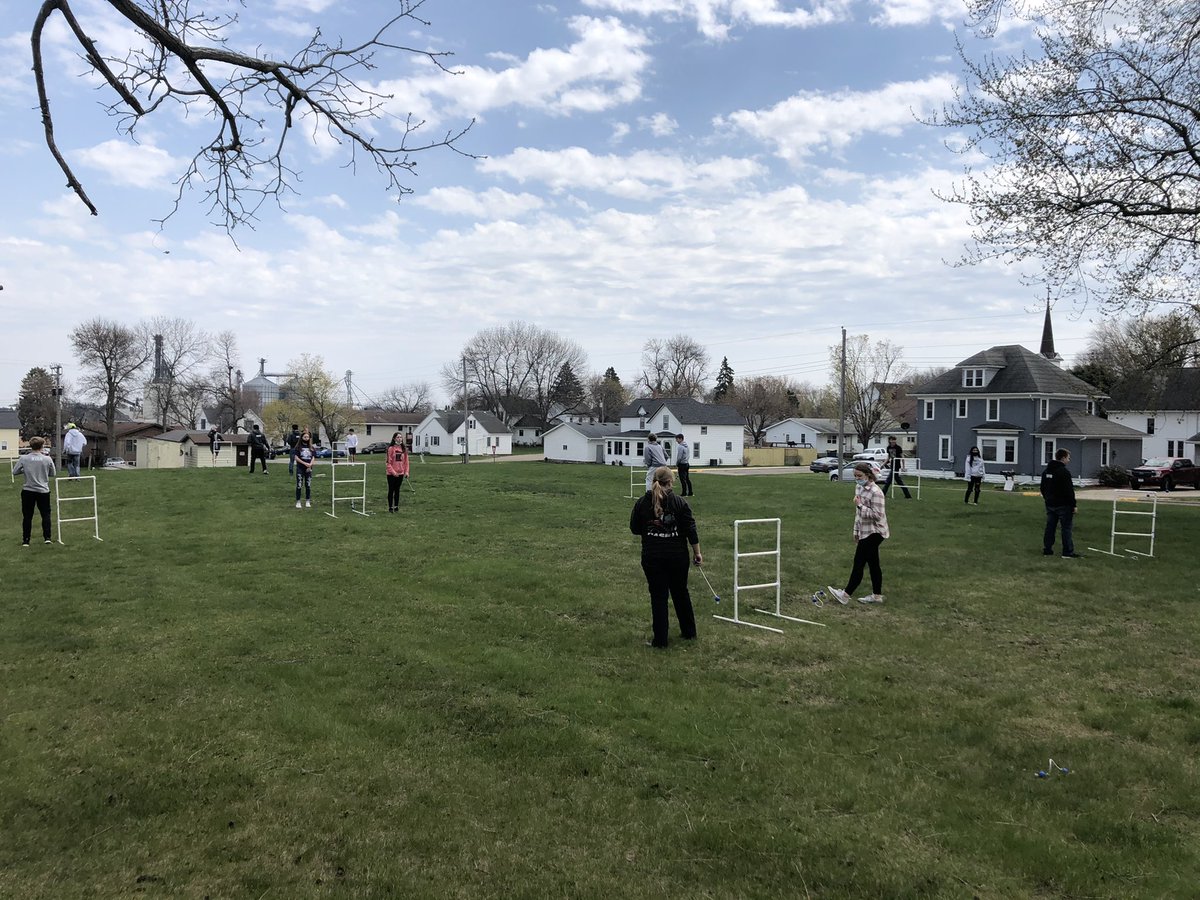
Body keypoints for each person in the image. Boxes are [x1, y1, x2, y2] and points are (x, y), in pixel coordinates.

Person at [630, 466, 701, 648]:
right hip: (678, 557)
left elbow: (635, 528)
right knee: (680, 592)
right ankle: (689, 632)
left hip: (652, 557)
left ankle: (660, 640)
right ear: (670, 482)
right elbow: (690, 529)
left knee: (659, 597)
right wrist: (697, 552)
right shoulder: (680, 503)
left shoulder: (642, 503)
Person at [828, 461, 890, 604]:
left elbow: (877, 515)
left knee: (859, 562)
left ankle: (845, 595)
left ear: (868, 475)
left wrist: (860, 505)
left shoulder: (876, 492)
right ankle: (877, 596)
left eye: (859, 476)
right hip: (864, 531)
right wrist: (856, 531)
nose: (857, 478)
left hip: (875, 532)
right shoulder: (859, 488)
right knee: (873, 563)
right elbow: (858, 514)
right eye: (855, 476)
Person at [14, 436, 56, 546]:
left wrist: (26, 470)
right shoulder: (47, 459)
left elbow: (15, 471)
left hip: (28, 490)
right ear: (42, 446)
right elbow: (53, 473)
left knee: (27, 516)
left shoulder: (24, 458)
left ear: (30, 446)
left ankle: (26, 540)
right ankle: (47, 538)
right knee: (45, 514)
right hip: (43, 490)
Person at [1040, 448, 1081, 558]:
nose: (1069, 460)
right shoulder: (1064, 472)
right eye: (1068, 458)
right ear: (1063, 458)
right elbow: (1069, 491)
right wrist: (1073, 505)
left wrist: (1047, 498)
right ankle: (1067, 552)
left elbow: (1043, 487)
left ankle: (1047, 549)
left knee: (1050, 527)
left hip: (1050, 504)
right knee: (1066, 528)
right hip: (1064, 505)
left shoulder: (1046, 471)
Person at [385, 431, 410, 512]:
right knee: (391, 490)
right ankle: (390, 507)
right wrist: (393, 472)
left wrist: (406, 472)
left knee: (397, 490)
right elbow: (388, 463)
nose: (399, 439)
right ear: (394, 438)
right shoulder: (391, 448)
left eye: (400, 437)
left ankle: (396, 506)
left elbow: (406, 462)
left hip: (400, 473)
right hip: (391, 474)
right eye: (398, 437)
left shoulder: (403, 449)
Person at [294, 429, 315, 508]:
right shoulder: (298, 447)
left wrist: (310, 464)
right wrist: (304, 463)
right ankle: (298, 501)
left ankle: (307, 500)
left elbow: (313, 457)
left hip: (308, 468)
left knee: (308, 485)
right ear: (302, 437)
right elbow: (296, 458)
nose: (306, 438)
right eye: (305, 437)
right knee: (299, 485)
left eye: (307, 437)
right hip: (300, 468)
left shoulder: (311, 447)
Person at [674, 432, 693, 497]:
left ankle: (684, 493)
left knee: (682, 479)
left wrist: (677, 463)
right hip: (687, 463)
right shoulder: (687, 446)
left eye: (677, 439)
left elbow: (679, 457)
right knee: (687, 479)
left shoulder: (680, 447)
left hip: (682, 464)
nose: (676, 441)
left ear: (681, 439)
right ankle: (690, 492)